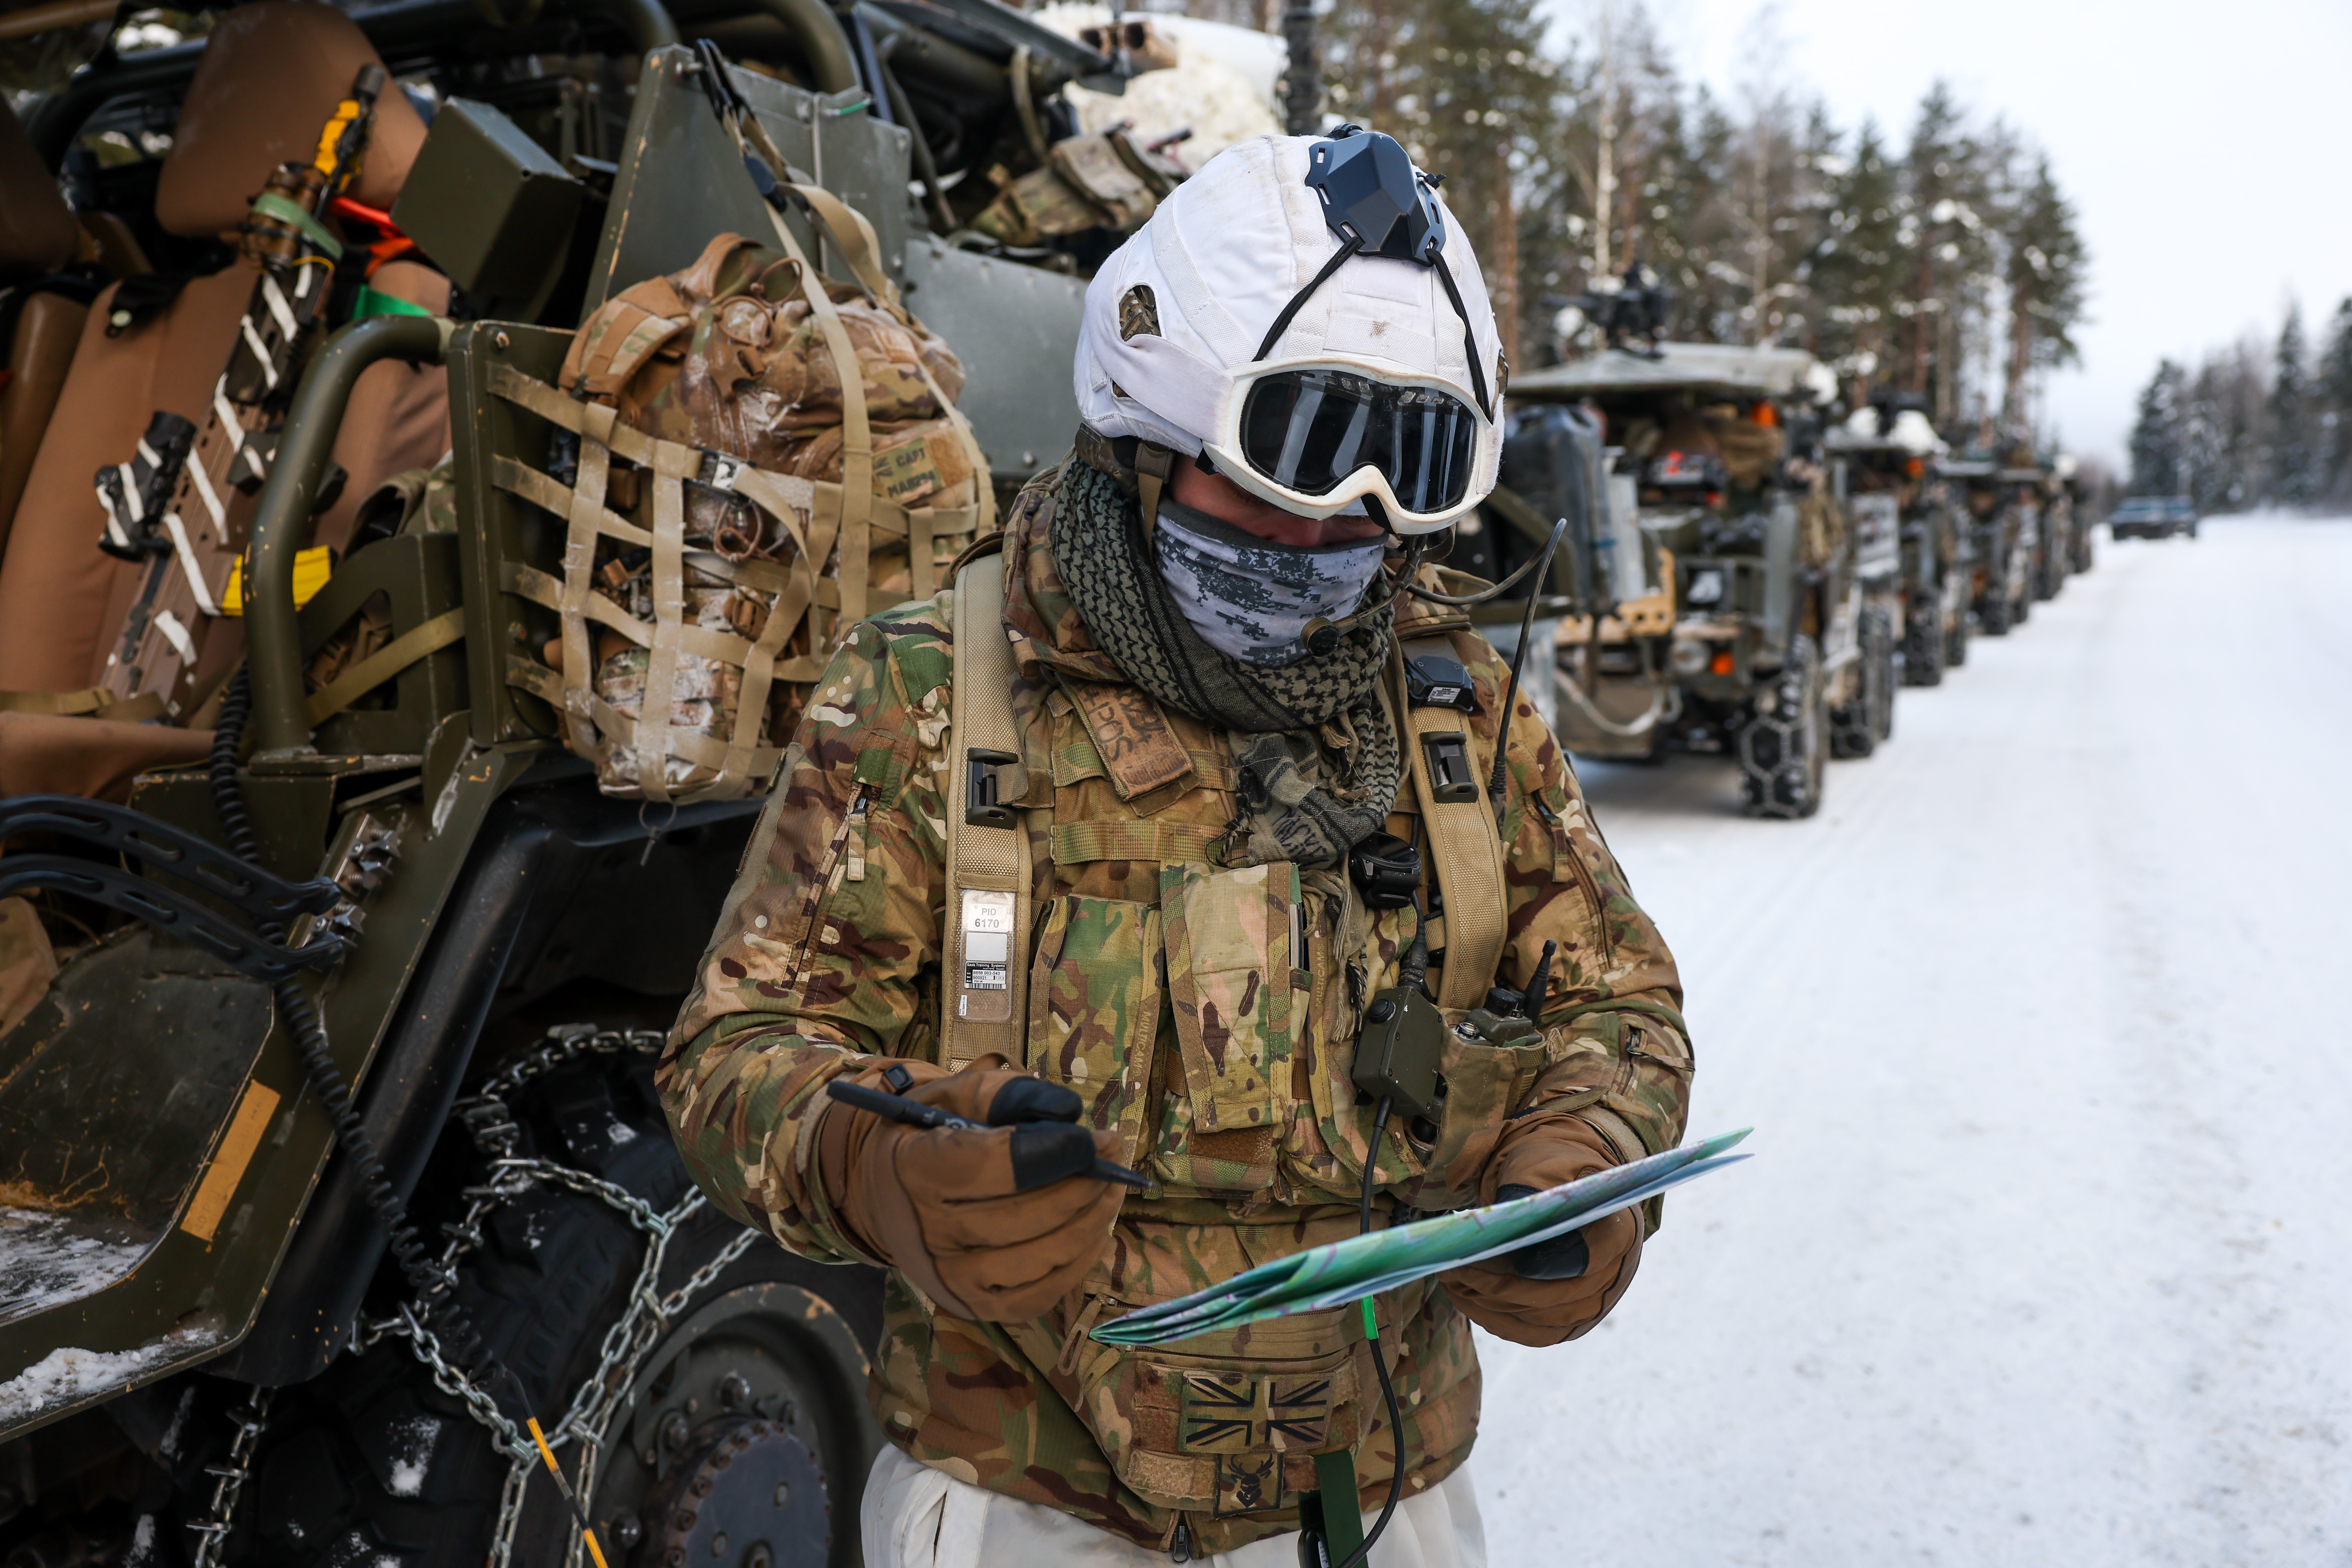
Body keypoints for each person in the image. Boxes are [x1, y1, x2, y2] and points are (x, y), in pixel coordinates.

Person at [660, 129, 1693, 1568]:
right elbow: (737, 1047)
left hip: (1376, 1509)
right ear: (1148, 435)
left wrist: (1585, 1156)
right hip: (1025, 1505)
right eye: (1294, 470)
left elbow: (1623, 1004)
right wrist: (865, 1163)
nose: (1334, 533)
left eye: (1393, 492)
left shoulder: (1454, 717)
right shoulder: (929, 698)